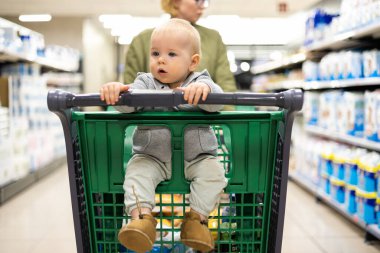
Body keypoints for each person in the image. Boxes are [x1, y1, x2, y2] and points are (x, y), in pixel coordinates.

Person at [100, 18, 227, 253]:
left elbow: (216, 102)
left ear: (193, 61)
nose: (161, 59)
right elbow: (128, 105)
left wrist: (206, 92)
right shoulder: (145, 82)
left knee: (215, 174)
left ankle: (195, 221)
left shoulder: (200, 81)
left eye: (171, 54)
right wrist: (117, 92)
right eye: (156, 53)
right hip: (152, 157)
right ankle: (142, 221)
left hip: (197, 157)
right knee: (136, 174)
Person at [124, 0, 237, 94]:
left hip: (200, 116)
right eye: (198, 1)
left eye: (172, 54)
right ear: (176, 1)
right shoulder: (142, 40)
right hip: (151, 118)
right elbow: (130, 89)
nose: (203, 6)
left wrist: (225, 120)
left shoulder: (213, 38)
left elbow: (226, 85)